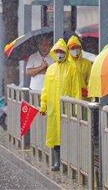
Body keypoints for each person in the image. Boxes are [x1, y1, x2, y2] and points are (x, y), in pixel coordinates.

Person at [40, 38, 80, 171]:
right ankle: (57, 162)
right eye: (56, 51)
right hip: (53, 108)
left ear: (65, 52)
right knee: (55, 136)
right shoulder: (50, 69)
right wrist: (43, 105)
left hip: (66, 109)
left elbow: (76, 90)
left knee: (67, 135)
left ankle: (69, 163)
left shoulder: (72, 68)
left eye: (61, 51)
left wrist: (76, 109)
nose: (59, 54)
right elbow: (45, 89)